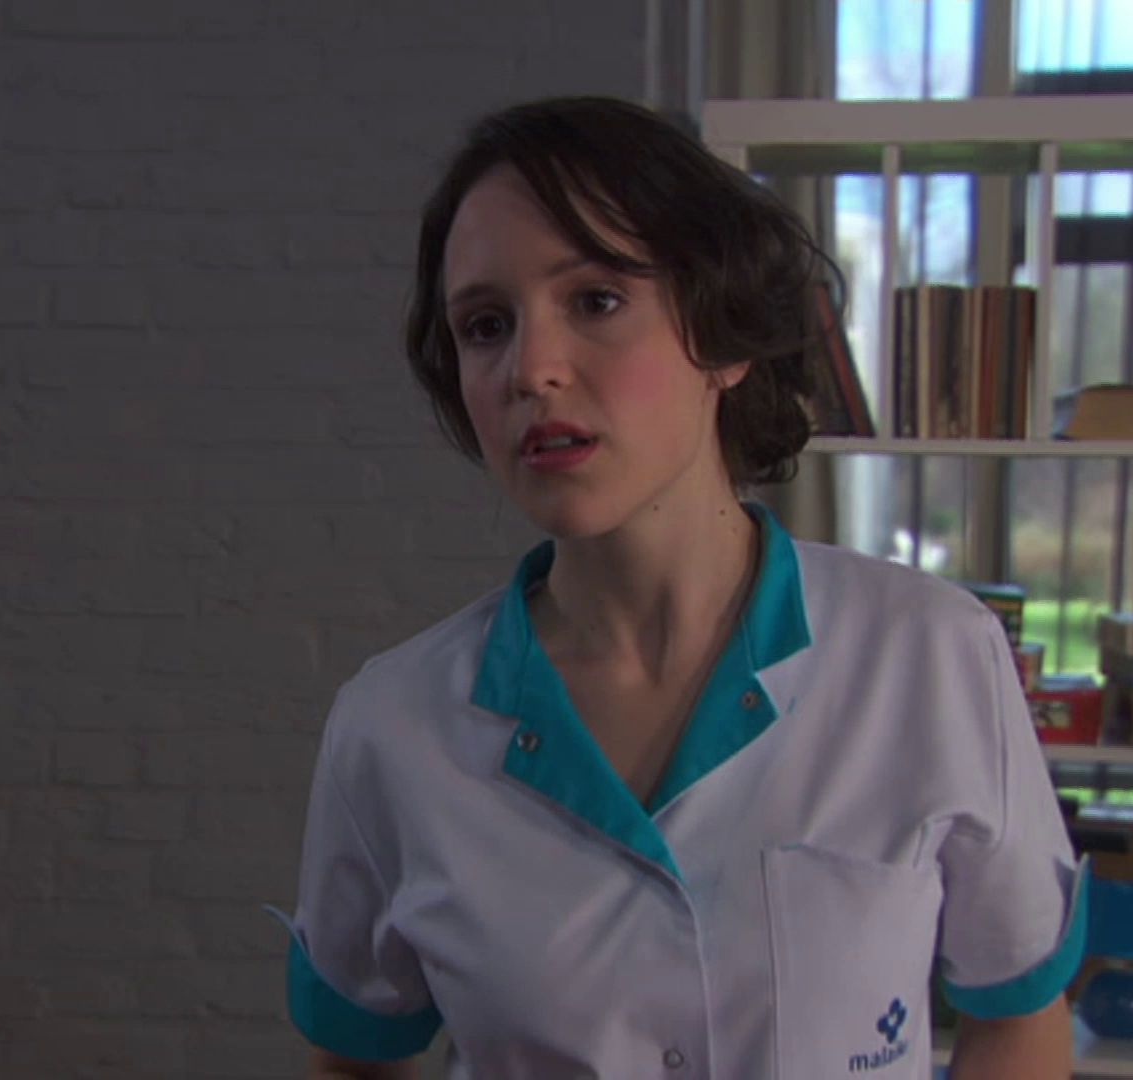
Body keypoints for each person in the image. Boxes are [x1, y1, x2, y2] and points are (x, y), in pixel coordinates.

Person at [268, 95, 1086, 1079]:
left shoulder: (930, 654)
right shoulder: (394, 729)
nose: (532, 369)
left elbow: (1017, 1012)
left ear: (723, 334)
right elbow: (354, 1059)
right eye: (485, 326)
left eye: (597, 301)